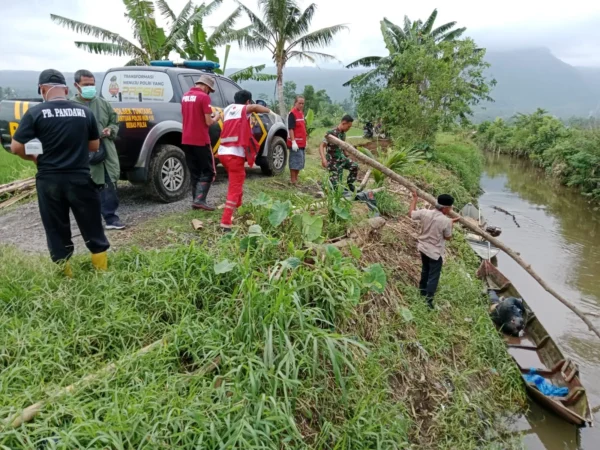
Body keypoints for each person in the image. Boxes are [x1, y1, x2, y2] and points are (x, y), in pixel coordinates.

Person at [10, 69, 110, 275]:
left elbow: (16, 147)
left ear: (42, 89)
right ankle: (102, 273)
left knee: (56, 228)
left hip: (49, 180)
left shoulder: (36, 113)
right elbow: (93, 146)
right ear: (66, 89)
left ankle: (66, 278)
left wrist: (34, 157)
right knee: (92, 225)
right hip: (80, 178)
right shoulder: (85, 112)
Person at [71, 69, 125, 230]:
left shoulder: (103, 103)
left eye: (92, 84)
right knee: (86, 187)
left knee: (109, 185)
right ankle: (90, 222)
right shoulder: (71, 106)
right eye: (86, 85)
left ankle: (111, 218)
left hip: (105, 151)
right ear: (76, 85)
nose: (90, 88)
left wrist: (110, 129)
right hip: (83, 154)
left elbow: (114, 122)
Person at [218, 90, 272, 231]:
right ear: (248, 101)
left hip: (223, 152)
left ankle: (239, 207)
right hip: (234, 154)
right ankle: (225, 222)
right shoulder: (244, 108)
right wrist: (268, 110)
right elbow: (254, 108)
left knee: (239, 179)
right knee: (234, 187)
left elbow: (218, 115)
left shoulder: (228, 108)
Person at [408, 191, 460, 308]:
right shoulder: (446, 221)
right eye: (450, 208)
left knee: (425, 269)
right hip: (435, 253)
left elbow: (411, 213)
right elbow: (448, 237)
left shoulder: (425, 212)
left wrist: (415, 199)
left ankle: (422, 290)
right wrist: (451, 224)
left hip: (422, 248)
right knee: (433, 276)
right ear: (445, 209)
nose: (451, 210)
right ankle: (428, 301)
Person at [181, 75, 221, 210]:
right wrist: (217, 117)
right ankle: (200, 200)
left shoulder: (185, 96)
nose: (209, 92)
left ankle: (196, 201)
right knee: (209, 171)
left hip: (186, 139)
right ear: (206, 87)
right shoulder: (204, 97)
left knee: (195, 171)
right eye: (209, 90)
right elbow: (208, 122)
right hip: (201, 139)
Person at [319, 115, 359, 192]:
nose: (349, 129)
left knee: (354, 166)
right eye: (348, 126)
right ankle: (328, 187)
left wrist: (346, 154)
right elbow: (321, 146)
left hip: (342, 159)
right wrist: (323, 159)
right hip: (333, 162)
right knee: (336, 187)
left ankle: (350, 185)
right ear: (343, 123)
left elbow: (342, 146)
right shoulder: (331, 133)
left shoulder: (343, 134)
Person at [287, 96, 306, 185]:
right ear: (295, 103)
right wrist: (293, 141)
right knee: (294, 161)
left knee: (300, 162)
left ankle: (296, 179)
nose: (301, 105)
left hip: (302, 142)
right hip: (296, 142)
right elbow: (291, 129)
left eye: (302, 103)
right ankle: (293, 180)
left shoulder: (301, 113)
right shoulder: (292, 114)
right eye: (299, 103)